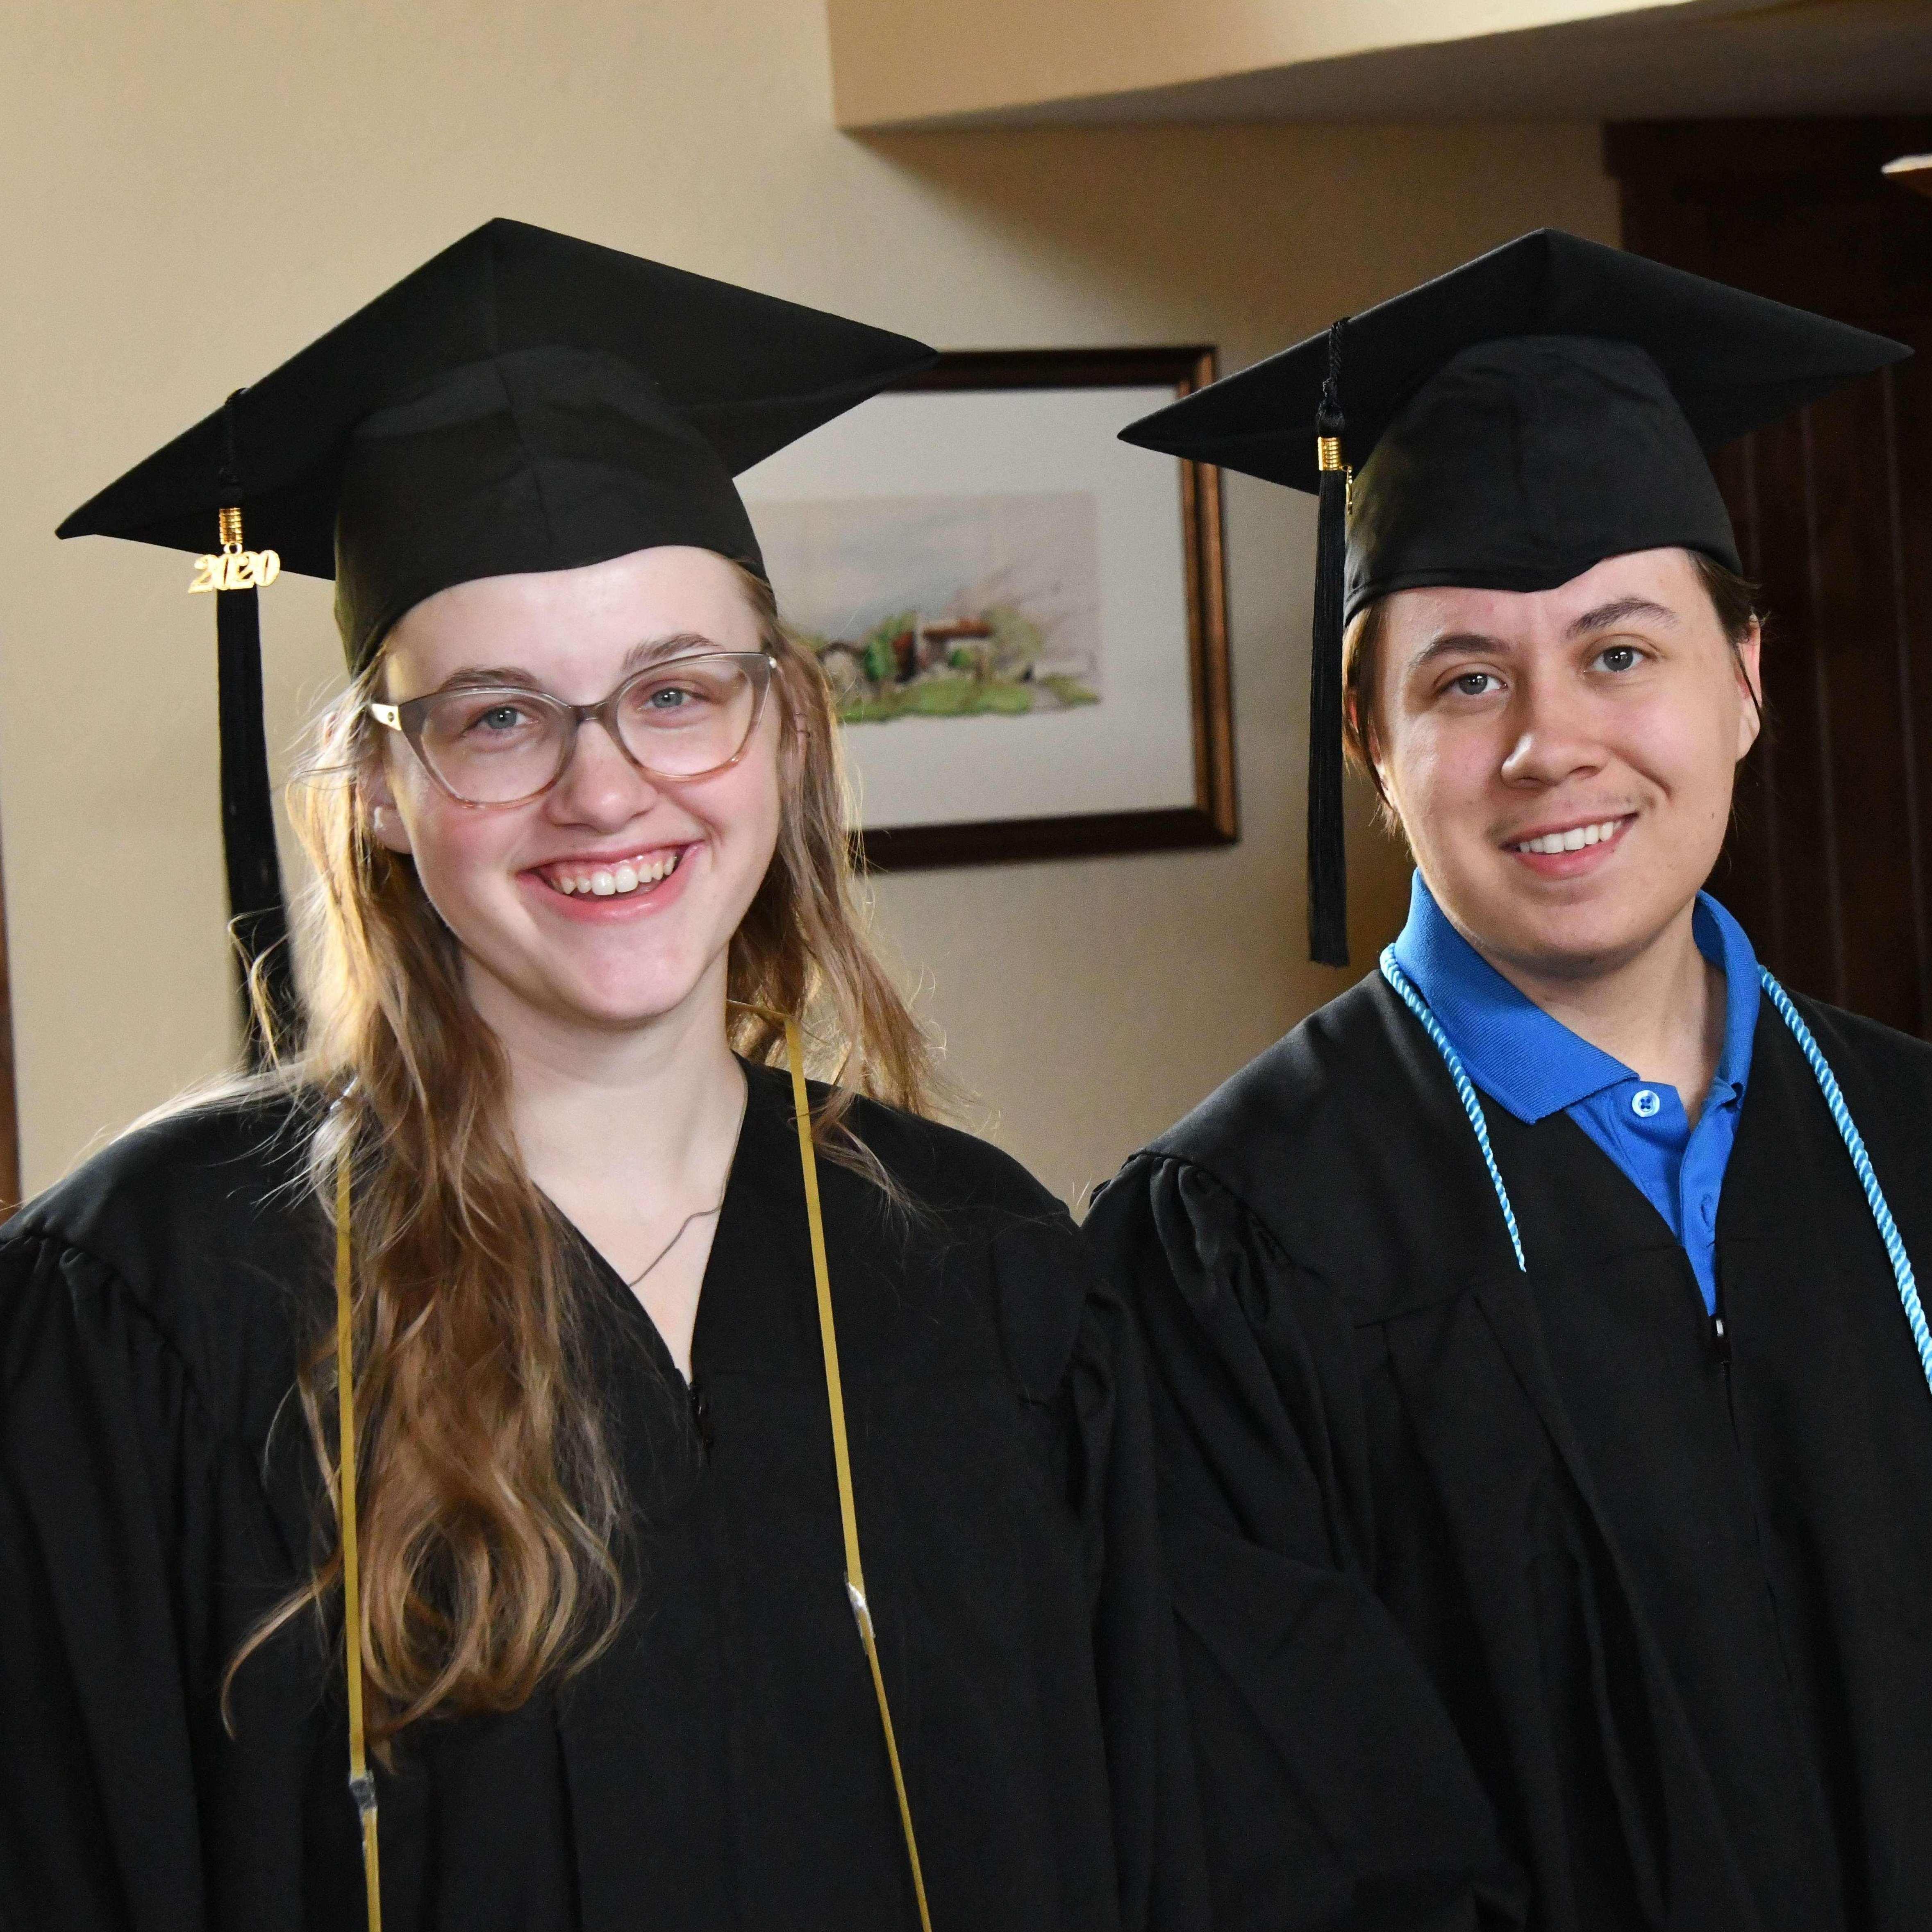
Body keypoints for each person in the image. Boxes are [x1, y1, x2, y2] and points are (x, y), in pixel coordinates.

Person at [1, 220, 1203, 1932]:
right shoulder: (149, 1310)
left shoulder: (989, 1277)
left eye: (674, 692)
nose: (606, 787)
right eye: (498, 717)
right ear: (377, 794)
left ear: (784, 732)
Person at [1086, 229, 1932, 1931]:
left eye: (1623, 652)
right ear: (1370, 748)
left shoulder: (1911, 1140)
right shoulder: (1228, 1254)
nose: (1553, 742)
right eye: (1467, 680)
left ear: (1746, 684)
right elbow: (1289, 1857)